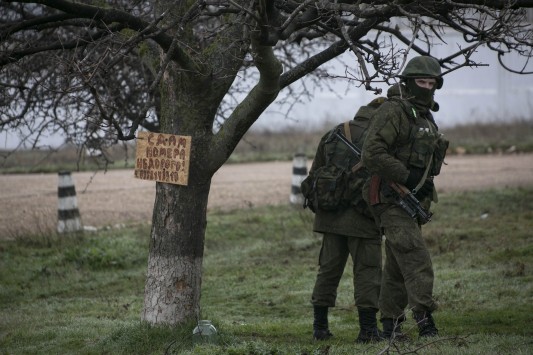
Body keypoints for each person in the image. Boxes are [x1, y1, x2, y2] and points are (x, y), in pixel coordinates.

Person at [361, 56, 449, 339]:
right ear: (409, 83)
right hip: (389, 197)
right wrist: (407, 177)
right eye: (421, 82)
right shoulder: (394, 111)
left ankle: (391, 325)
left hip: (412, 202)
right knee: (415, 256)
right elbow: (371, 153)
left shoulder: (424, 115)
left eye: (431, 83)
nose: (426, 87)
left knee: (398, 265)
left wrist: (421, 185)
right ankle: (425, 321)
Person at [302, 98, 384, 343]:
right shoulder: (379, 138)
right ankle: (368, 331)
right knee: (368, 272)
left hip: (330, 218)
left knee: (327, 271)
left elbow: (314, 174)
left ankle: (319, 328)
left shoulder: (332, 134)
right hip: (363, 218)